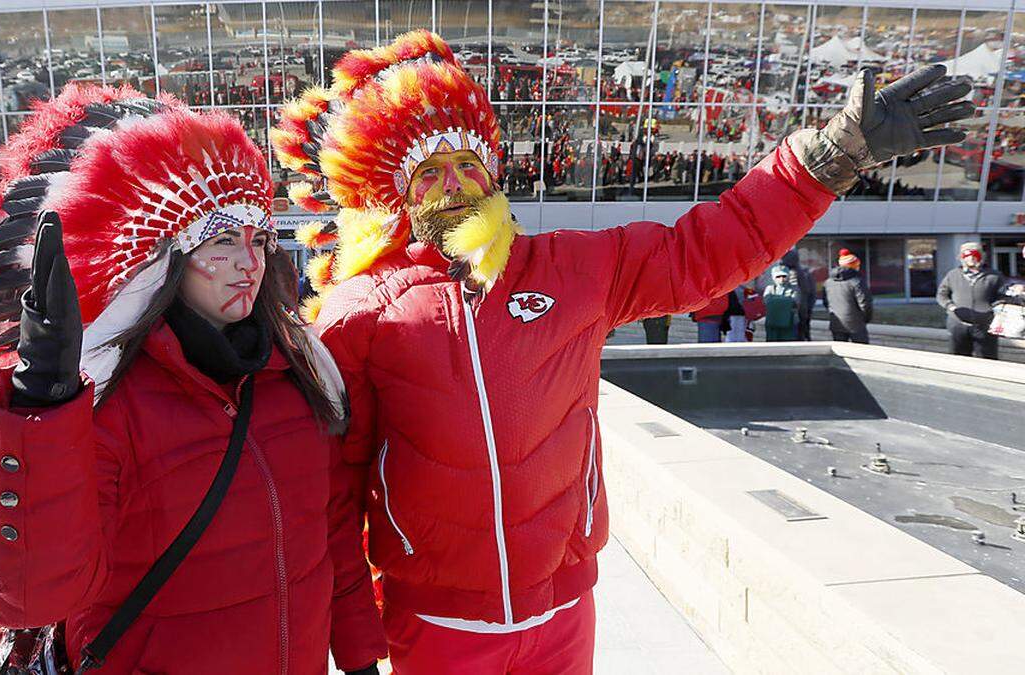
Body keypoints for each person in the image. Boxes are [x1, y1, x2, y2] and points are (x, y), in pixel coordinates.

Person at [273, 31, 972, 673]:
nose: (453, 183)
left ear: (492, 172)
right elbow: (334, 499)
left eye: (465, 162)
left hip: (565, 613)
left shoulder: (573, 268)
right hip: (437, 622)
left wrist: (828, 157)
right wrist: (358, 647)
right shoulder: (357, 313)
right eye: (428, 173)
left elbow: (710, 247)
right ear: (395, 191)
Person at [0, 87, 384, 674]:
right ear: (162, 260)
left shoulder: (299, 379)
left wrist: (363, 656)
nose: (250, 263)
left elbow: (334, 539)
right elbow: (26, 597)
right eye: (220, 241)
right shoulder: (110, 407)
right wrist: (41, 412)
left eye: (259, 240)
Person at [937, 242, 1010, 359]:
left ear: (981, 256)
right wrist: (952, 307)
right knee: (958, 359)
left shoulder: (994, 276)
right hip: (957, 324)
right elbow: (942, 295)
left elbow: (1003, 297)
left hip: (985, 325)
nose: (970, 258)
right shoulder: (953, 275)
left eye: (974, 255)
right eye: (966, 255)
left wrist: (993, 309)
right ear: (961, 258)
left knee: (987, 360)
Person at [823, 248, 873, 343]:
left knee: (840, 351)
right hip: (856, 324)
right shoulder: (857, 282)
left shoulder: (828, 282)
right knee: (861, 352)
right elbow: (865, 304)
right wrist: (865, 319)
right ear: (854, 266)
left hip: (836, 323)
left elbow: (826, 302)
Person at [779, 247, 817, 340]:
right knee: (802, 329)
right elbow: (811, 292)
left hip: (793, 308)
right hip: (802, 307)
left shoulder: (783, 273)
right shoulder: (804, 273)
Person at [763, 266, 799, 342]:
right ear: (774, 278)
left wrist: (774, 299)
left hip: (789, 322)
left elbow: (795, 301)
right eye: (778, 276)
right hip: (772, 321)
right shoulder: (770, 288)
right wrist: (786, 300)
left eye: (784, 276)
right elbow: (766, 301)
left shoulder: (793, 288)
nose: (781, 279)